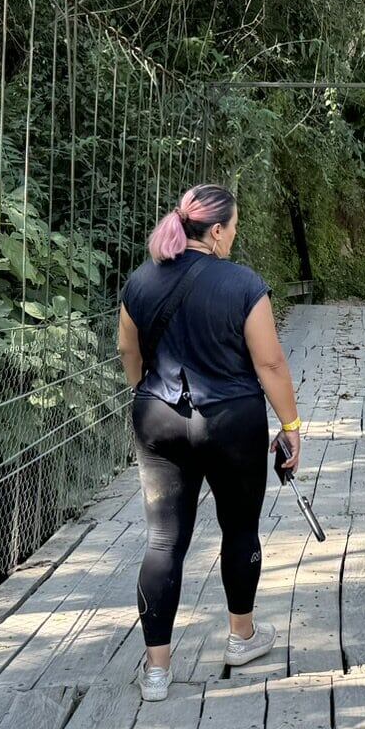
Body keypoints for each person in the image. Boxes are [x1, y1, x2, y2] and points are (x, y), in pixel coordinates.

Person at [118, 185, 302, 701]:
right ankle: (241, 637)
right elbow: (269, 364)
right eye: (234, 226)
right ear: (217, 230)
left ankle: (156, 670)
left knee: (162, 540)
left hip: (159, 419)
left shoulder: (141, 281)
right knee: (239, 528)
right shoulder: (244, 284)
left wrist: (148, 393)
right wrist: (290, 427)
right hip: (231, 422)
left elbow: (128, 353)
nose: (234, 235)